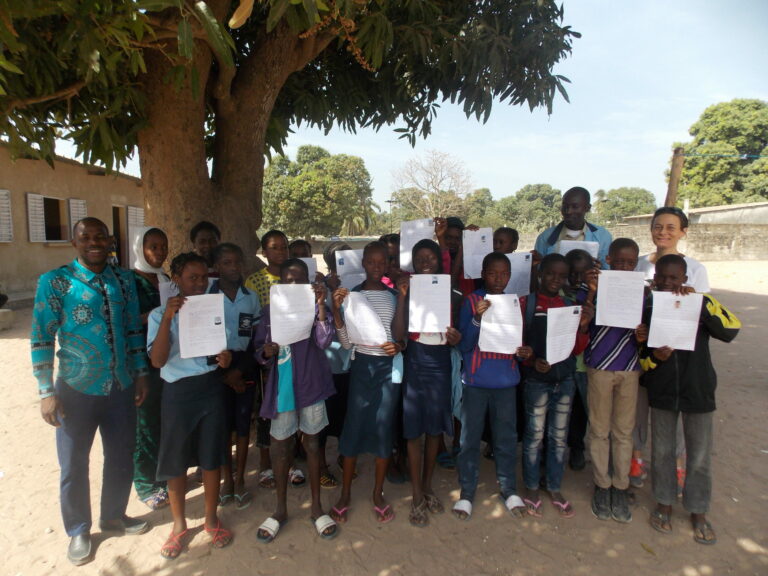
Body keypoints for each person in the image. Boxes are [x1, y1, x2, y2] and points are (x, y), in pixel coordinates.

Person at [31, 217, 151, 566]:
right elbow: (41, 336)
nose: (94, 243)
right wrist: (44, 391)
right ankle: (79, 529)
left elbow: (131, 331)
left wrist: (141, 374)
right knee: (73, 463)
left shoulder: (124, 281)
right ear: (75, 242)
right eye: (86, 237)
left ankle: (113, 516)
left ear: (111, 241)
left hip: (121, 386)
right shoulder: (55, 282)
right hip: (74, 389)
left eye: (100, 237)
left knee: (120, 456)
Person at [638, 254, 740, 545]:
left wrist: (703, 305)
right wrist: (655, 357)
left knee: (699, 455)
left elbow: (731, 329)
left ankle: (698, 510)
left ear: (685, 280)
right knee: (662, 451)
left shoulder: (702, 304)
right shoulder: (649, 306)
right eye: (662, 277)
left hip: (699, 389)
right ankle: (664, 503)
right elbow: (643, 361)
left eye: (674, 278)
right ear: (654, 278)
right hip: (663, 390)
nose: (668, 283)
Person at [147, 252, 233, 559]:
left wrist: (226, 358)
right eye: (191, 278)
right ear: (177, 281)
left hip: (209, 387)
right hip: (177, 392)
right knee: (176, 460)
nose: (198, 284)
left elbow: (221, 351)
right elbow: (157, 360)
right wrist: (170, 318)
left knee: (211, 456)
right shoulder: (160, 315)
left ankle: (211, 518)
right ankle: (179, 525)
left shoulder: (213, 309)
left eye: (202, 278)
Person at [252, 258, 338, 542]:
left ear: (308, 282)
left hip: (311, 384)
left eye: (300, 279)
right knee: (280, 446)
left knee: (313, 443)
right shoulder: (268, 312)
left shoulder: (315, 311)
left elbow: (325, 341)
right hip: (283, 387)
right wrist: (267, 350)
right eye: (288, 280)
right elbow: (259, 353)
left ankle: (316, 507)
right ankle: (280, 509)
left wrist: (322, 306)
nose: (294, 284)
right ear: (280, 283)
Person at [631, 206, 710, 490]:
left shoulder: (696, 269)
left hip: (676, 353)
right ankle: (636, 456)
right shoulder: (639, 264)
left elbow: (700, 312)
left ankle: (677, 463)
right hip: (640, 347)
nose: (663, 232)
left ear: (683, 232)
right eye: (658, 226)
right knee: (638, 406)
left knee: (671, 410)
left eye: (670, 227)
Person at [452, 252, 532, 521]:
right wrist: (476, 318)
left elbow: (521, 341)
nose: (499, 279)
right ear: (483, 273)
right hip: (476, 381)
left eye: (504, 274)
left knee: (506, 438)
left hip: (506, 382)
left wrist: (523, 352)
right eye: (493, 273)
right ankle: (467, 492)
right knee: (469, 439)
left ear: (511, 275)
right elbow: (464, 344)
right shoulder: (472, 300)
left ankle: (508, 489)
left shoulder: (516, 303)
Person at [330, 241, 404, 524]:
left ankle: (377, 493)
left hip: (388, 370)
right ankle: (346, 493)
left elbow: (399, 335)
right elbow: (347, 343)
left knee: (384, 427)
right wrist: (337, 310)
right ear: (363, 264)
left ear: (387, 264)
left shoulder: (394, 296)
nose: (376, 267)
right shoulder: (353, 296)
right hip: (362, 367)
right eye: (371, 262)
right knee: (354, 426)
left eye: (381, 262)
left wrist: (398, 345)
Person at [392, 239, 463, 526]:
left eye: (430, 257)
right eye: (419, 257)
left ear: (438, 260)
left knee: (435, 429)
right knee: (413, 431)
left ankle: (428, 484)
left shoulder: (452, 292)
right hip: (416, 360)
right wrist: (401, 297)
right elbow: (399, 335)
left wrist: (457, 337)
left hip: (441, 360)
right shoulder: (407, 290)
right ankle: (417, 493)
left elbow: (459, 331)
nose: (425, 261)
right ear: (413, 262)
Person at [520, 253, 593, 518]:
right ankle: (531, 487)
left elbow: (574, 348)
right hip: (536, 381)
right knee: (534, 436)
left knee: (559, 437)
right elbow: (519, 344)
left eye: (562, 276)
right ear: (540, 274)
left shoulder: (569, 305)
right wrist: (531, 360)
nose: (555, 279)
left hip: (565, 380)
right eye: (550, 274)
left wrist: (583, 327)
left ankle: (553, 485)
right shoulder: (527, 304)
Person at [582, 239, 645, 523]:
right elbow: (583, 323)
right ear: (608, 259)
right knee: (598, 429)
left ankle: (620, 486)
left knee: (623, 431)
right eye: (618, 261)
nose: (623, 267)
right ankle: (601, 484)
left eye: (629, 263)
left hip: (630, 367)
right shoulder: (594, 287)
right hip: (600, 366)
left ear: (636, 264)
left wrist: (644, 332)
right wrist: (592, 295)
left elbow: (656, 326)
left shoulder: (644, 293)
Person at [244, 230, 305, 489]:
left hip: (297, 354)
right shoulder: (255, 281)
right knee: (268, 411)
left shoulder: (298, 279)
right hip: (269, 356)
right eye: (274, 247)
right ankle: (266, 464)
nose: (280, 252)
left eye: (284, 247)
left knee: (293, 409)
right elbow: (251, 319)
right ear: (264, 251)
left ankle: (290, 463)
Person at [209, 243, 261, 510]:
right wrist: (226, 374)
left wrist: (239, 372)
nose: (234, 268)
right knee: (222, 427)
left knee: (242, 425)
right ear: (216, 267)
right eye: (227, 263)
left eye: (237, 262)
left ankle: (240, 480)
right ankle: (225, 481)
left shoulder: (250, 297)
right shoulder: (206, 296)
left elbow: (254, 341)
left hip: (244, 365)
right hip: (215, 367)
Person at [131, 227, 171, 510]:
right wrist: (155, 316)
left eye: (162, 246)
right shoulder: (129, 281)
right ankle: (146, 484)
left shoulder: (166, 279)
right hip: (142, 364)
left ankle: (165, 476)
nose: (158, 252)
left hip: (167, 360)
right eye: (152, 247)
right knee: (144, 425)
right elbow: (125, 321)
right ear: (140, 248)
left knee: (165, 421)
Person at [318, 241, 354, 488]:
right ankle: (321, 466)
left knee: (346, 414)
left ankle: (343, 457)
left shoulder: (355, 283)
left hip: (349, 361)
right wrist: (328, 292)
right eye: (335, 258)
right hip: (325, 364)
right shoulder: (319, 286)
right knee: (322, 419)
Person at [563, 249, 597, 472]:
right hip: (563, 363)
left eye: (581, 274)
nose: (576, 279)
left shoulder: (594, 294)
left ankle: (577, 447)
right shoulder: (558, 293)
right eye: (571, 274)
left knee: (580, 411)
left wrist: (592, 293)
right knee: (560, 409)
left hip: (584, 364)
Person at [533, 187, 612, 268]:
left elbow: (607, 271)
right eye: (565, 206)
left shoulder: (603, 236)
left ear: (587, 208)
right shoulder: (545, 237)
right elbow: (539, 272)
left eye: (575, 207)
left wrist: (599, 271)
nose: (568, 211)